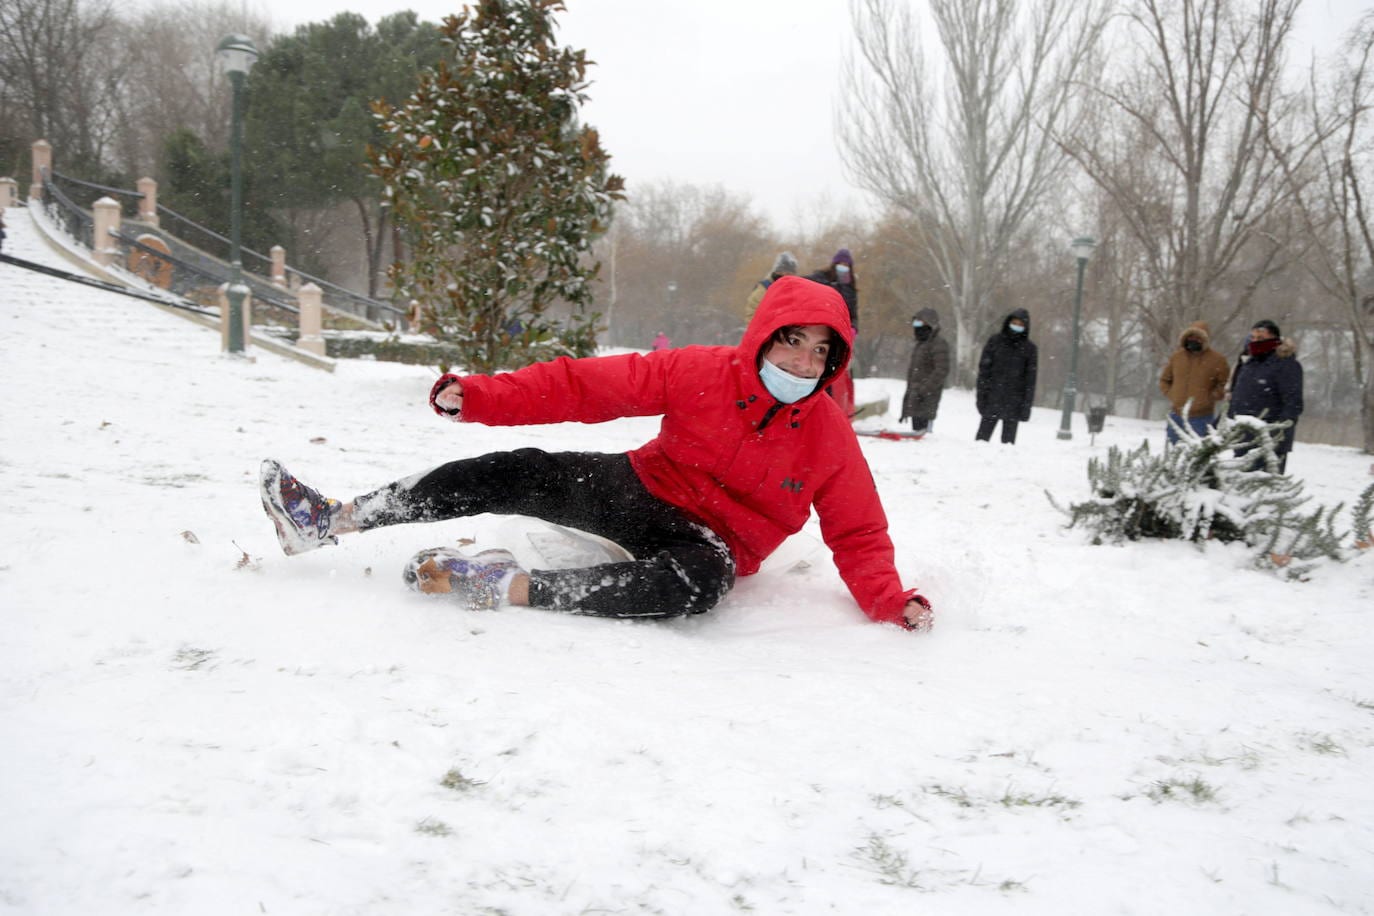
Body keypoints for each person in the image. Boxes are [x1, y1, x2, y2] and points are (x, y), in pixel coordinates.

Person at [260, 275, 934, 631]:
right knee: (520, 471)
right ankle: (330, 520)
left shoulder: (828, 435)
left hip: (709, 541)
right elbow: (589, 386)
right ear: (763, 336)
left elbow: (860, 530)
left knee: (701, 586)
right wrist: (487, 397)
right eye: (794, 341)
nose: (804, 361)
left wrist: (888, 599)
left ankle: (507, 587)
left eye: (822, 351)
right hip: (641, 487)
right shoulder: (701, 371)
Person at [1227, 319, 1303, 473]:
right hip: (1243, 436)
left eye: (1260, 338)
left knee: (1264, 486)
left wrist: (1278, 432)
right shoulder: (1248, 363)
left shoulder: (1285, 364)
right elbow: (1237, 396)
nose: (1255, 342)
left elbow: (1293, 403)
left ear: (1274, 339)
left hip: (1269, 438)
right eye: (1253, 338)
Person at [1158, 321, 1230, 443]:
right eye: (1191, 336)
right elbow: (1165, 380)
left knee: (1196, 456)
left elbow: (1225, 384)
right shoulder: (1177, 357)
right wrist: (1172, 394)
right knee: (1172, 454)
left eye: (1198, 337)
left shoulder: (1218, 360)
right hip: (1176, 416)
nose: (1193, 340)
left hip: (1201, 418)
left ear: (1204, 339)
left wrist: (1210, 397)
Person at [807, 248, 858, 417]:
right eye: (840, 264)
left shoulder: (850, 288)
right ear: (834, 264)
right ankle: (814, 406)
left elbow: (853, 314)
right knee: (817, 368)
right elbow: (805, 285)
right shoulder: (822, 278)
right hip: (823, 330)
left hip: (841, 337)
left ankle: (828, 409)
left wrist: (853, 328)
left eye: (846, 265)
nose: (843, 267)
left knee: (833, 372)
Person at [975, 308, 1038, 444]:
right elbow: (984, 372)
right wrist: (981, 397)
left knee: (1008, 446)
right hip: (992, 399)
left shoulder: (1029, 349)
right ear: (1008, 322)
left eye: (1021, 325)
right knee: (981, 442)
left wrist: (1026, 406)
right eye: (1015, 323)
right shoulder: (995, 342)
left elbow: (1030, 380)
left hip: (1014, 404)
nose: (1017, 327)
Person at [899, 307, 950, 435]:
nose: (916, 327)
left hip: (927, 399)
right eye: (915, 323)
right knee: (916, 433)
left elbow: (941, 370)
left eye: (919, 323)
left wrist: (923, 390)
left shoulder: (938, 344)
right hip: (916, 398)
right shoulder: (920, 345)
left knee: (924, 436)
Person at [745, 251, 799, 317]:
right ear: (778, 271)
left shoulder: (794, 289)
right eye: (785, 270)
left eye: (791, 272)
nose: (789, 274)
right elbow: (752, 314)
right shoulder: (763, 290)